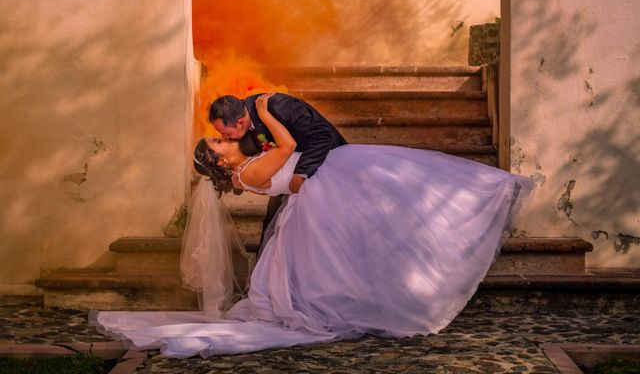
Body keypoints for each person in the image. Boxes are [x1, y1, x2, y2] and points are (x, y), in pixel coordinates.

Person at [92, 94, 534, 358]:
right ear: (221, 158)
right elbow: (285, 148)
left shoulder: (250, 155)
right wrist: (267, 116)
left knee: (397, 202)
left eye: (223, 133)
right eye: (220, 140)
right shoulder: (251, 164)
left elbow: (314, 140)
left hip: (320, 180)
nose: (227, 139)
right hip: (312, 191)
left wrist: (273, 124)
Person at [209, 93, 347, 255]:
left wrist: (300, 173)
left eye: (225, 134)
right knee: (272, 231)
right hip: (285, 176)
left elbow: (323, 135)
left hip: (322, 166)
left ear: (241, 122)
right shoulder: (243, 121)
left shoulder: (278, 107)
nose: (225, 138)